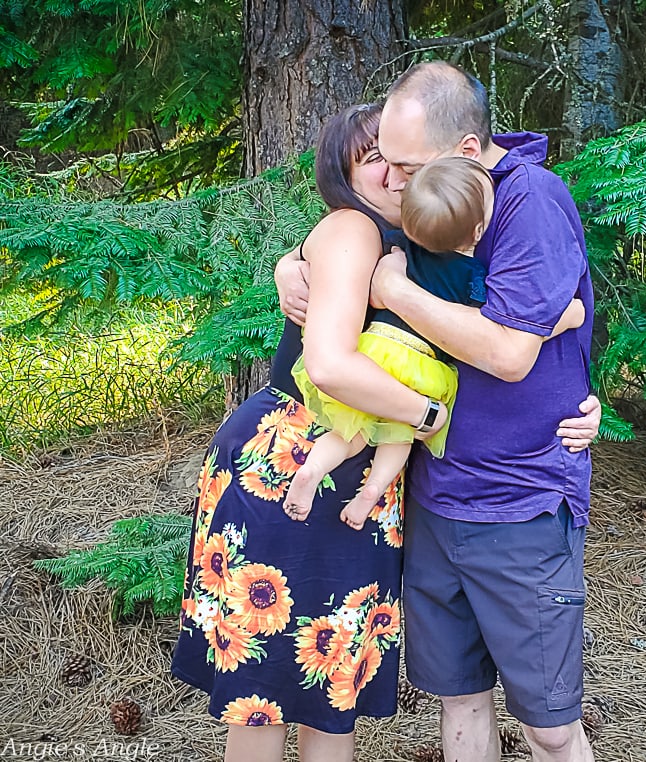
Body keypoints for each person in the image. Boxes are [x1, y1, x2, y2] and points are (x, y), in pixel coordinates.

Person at [275, 62, 601, 762]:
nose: (392, 180)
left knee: (548, 724)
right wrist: (293, 261)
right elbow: (343, 259)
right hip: (436, 498)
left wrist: (396, 292)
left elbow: (511, 353)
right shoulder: (424, 215)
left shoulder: (528, 203)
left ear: (462, 152)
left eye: (404, 164)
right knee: (459, 704)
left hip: (518, 503)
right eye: (381, 163)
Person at [171, 103, 450, 762]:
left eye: (396, 150)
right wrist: (428, 416)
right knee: (264, 693)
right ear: (343, 175)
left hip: (355, 481)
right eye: (371, 156)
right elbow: (328, 363)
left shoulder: (414, 236)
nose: (392, 168)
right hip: (291, 461)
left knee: (332, 690)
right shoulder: (355, 227)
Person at [284, 156, 586, 531]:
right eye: (378, 161)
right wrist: (569, 317)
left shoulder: (400, 251)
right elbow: (504, 332)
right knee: (400, 436)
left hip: (375, 350)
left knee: (351, 433)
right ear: (477, 232)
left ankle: (313, 468)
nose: (395, 176)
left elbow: (376, 280)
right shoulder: (472, 279)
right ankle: (369, 494)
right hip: (420, 366)